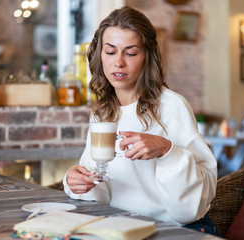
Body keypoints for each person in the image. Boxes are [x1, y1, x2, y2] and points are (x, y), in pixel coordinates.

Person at [62, 6, 221, 236]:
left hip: (177, 230)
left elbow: (190, 210)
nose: (118, 62)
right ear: (99, 54)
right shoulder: (102, 112)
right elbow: (101, 192)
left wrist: (167, 151)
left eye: (130, 52)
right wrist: (78, 183)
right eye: (110, 51)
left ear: (147, 56)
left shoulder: (171, 106)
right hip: (121, 229)